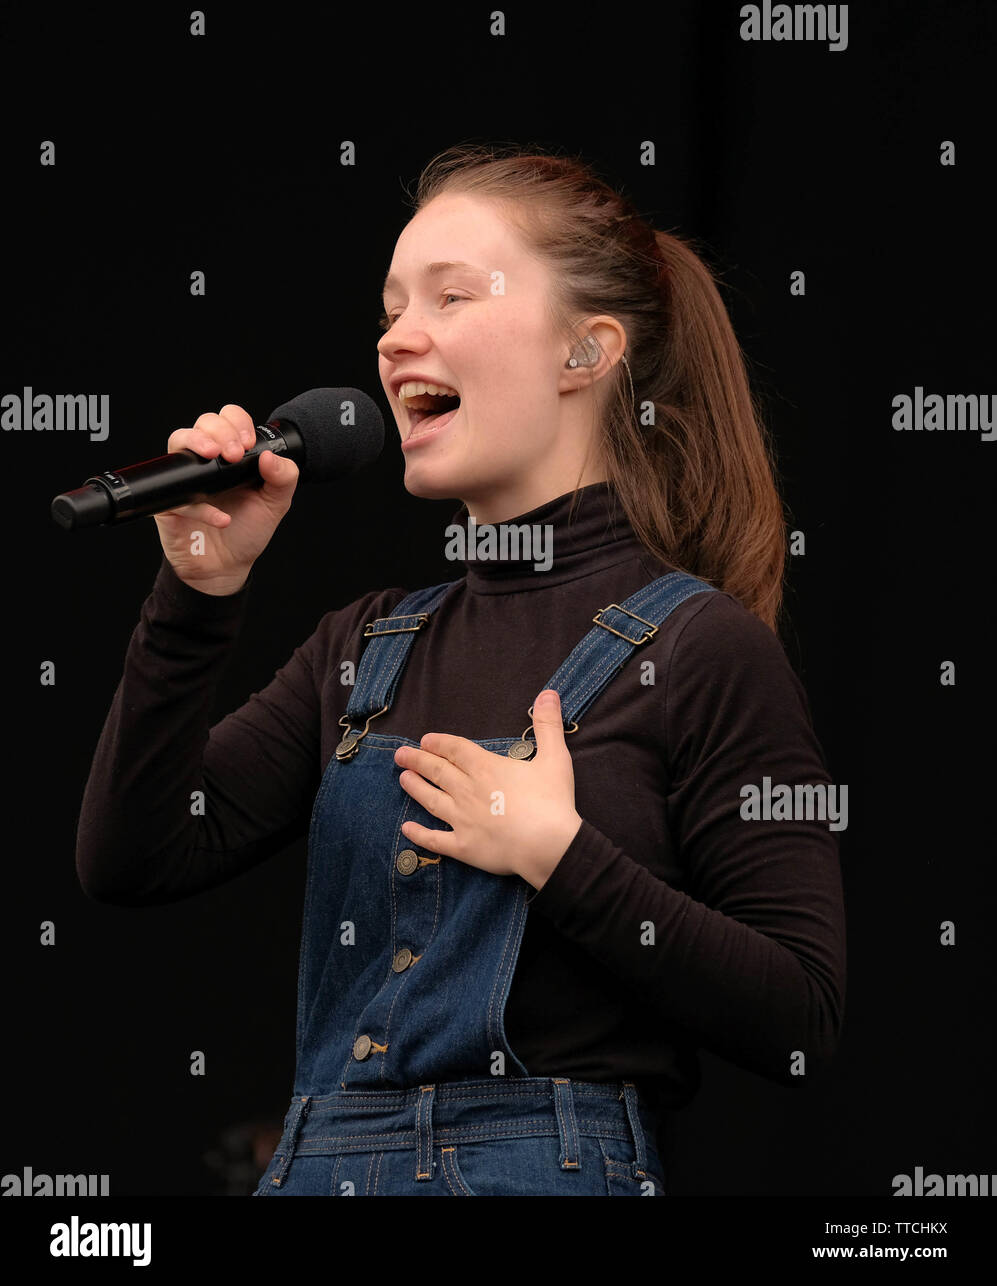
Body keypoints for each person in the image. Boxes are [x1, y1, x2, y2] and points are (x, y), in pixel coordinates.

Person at [76, 143, 846, 1197]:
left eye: (449, 295)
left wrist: (561, 855)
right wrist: (195, 593)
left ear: (586, 351)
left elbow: (802, 1014)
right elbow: (132, 858)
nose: (398, 338)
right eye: (391, 307)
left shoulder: (701, 651)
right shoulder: (366, 643)